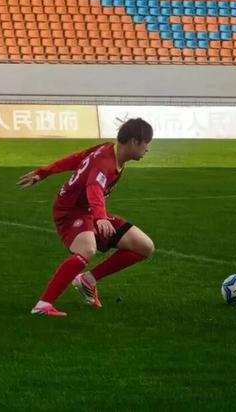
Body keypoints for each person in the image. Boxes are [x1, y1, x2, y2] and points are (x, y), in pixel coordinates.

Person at [18, 118, 155, 317]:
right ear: (135, 141)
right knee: (87, 250)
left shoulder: (108, 149)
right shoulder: (106, 162)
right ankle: (43, 305)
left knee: (144, 246)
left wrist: (43, 173)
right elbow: (94, 187)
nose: (147, 149)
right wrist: (100, 217)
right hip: (70, 210)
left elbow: (78, 158)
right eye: (146, 143)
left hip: (88, 210)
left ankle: (87, 280)